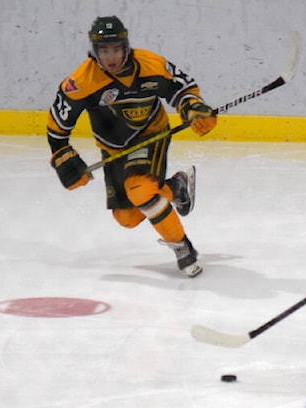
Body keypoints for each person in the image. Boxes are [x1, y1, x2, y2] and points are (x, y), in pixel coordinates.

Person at [46, 16, 218, 277]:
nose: (111, 57)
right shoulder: (82, 82)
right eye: (104, 50)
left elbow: (182, 89)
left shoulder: (151, 64)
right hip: (113, 149)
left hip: (151, 134)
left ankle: (183, 248)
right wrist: (61, 156)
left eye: (116, 49)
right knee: (127, 219)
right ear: (94, 51)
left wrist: (193, 107)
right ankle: (175, 187)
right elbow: (57, 127)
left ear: (126, 46)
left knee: (139, 189)